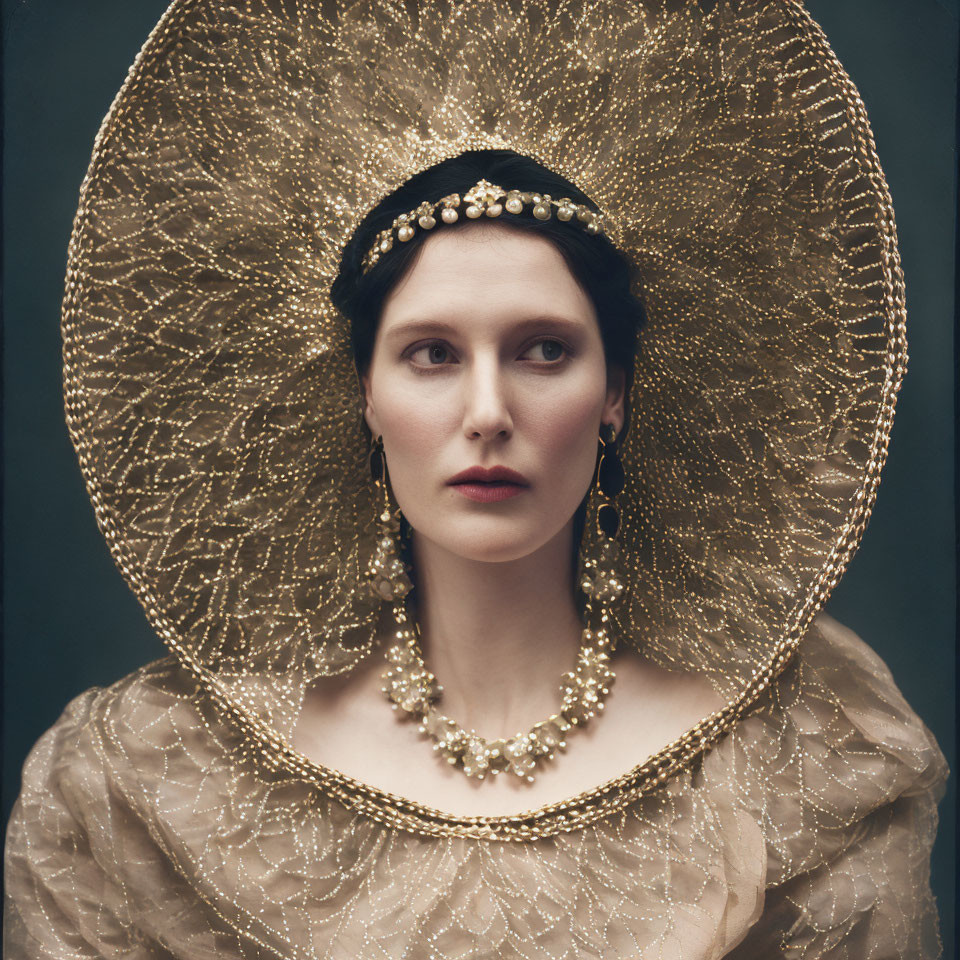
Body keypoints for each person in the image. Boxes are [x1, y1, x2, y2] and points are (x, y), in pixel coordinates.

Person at [4, 0, 948, 957]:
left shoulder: (801, 755)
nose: (489, 411)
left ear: (614, 392)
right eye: (431, 355)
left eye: (544, 350)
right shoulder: (138, 774)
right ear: (365, 395)